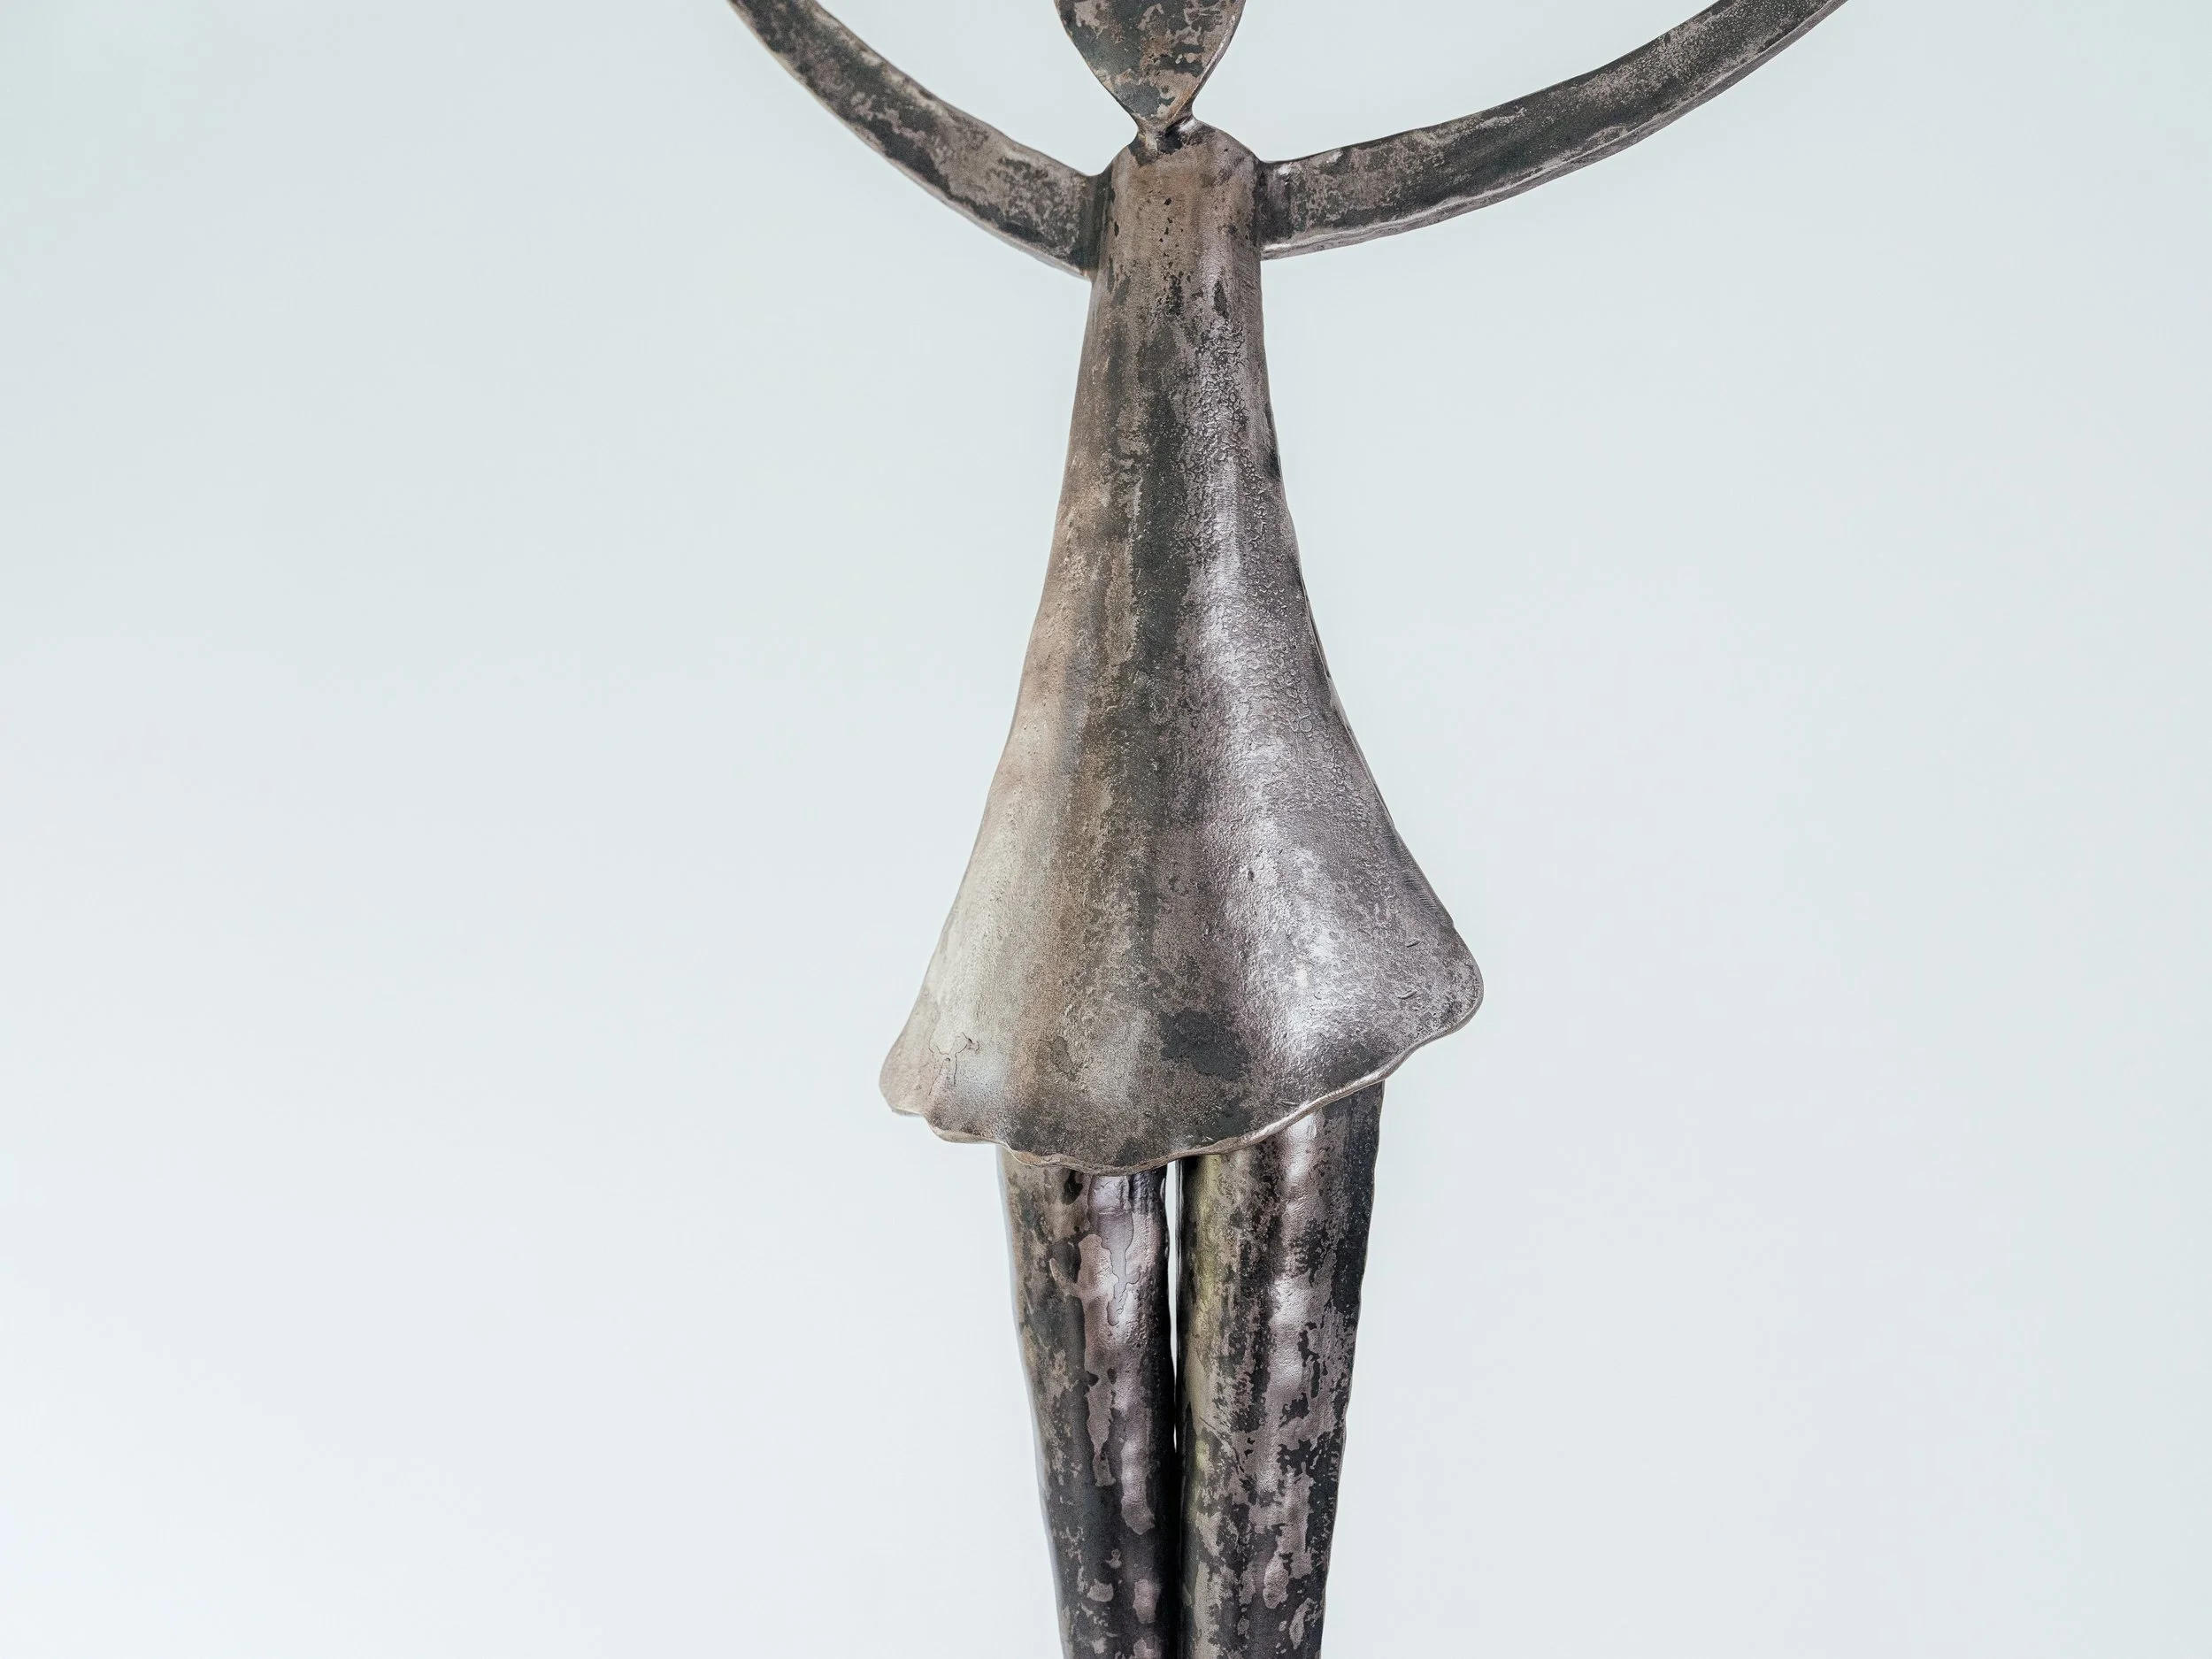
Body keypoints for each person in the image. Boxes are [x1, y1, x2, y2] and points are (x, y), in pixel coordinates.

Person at [723, 4, 1849, 1654]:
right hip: (1068, 913)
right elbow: (875, 92)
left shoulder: (1222, 200)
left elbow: (1564, 116)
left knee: (1254, 1520)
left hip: (1278, 897)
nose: (1147, 46)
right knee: (1107, 1536)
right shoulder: (1108, 206)